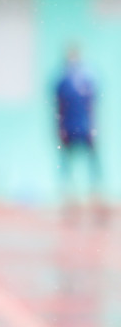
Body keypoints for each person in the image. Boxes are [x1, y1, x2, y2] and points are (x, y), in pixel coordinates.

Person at [55, 45, 102, 216]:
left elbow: (92, 106)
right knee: (67, 164)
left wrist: (94, 127)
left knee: (93, 163)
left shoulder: (88, 80)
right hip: (68, 128)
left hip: (85, 128)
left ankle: (95, 195)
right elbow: (58, 107)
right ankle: (69, 197)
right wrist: (59, 128)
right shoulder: (62, 81)